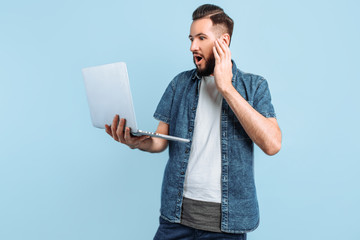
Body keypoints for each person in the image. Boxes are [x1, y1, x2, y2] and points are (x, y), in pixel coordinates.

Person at [105, 4, 281, 240]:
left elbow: (272, 144)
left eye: (201, 38)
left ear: (223, 41)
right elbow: (159, 141)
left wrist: (226, 87)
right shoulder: (180, 84)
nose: (192, 47)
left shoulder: (254, 86)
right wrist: (136, 142)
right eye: (191, 38)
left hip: (226, 227)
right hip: (175, 218)